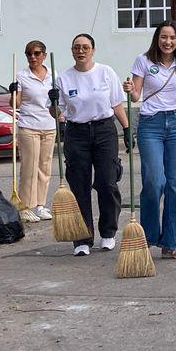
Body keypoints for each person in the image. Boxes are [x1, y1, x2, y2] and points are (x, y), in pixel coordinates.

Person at [124, 20, 176, 260]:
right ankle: (147, 237)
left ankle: (172, 243)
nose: (168, 42)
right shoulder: (143, 61)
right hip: (150, 124)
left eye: (173, 38)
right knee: (154, 181)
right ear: (157, 38)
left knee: (175, 184)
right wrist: (129, 89)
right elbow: (136, 95)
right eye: (164, 37)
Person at [55, 33, 129, 256]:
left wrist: (126, 129)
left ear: (93, 50)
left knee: (107, 182)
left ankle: (108, 232)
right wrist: (52, 103)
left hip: (104, 130)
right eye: (76, 47)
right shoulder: (63, 78)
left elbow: (116, 104)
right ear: (72, 51)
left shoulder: (106, 72)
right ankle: (82, 238)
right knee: (79, 185)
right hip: (76, 133)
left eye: (85, 47)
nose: (81, 51)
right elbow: (58, 112)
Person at [10, 40, 56, 224]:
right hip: (29, 125)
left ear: (44, 55)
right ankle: (26, 207)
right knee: (29, 167)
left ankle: (40, 205)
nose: (33, 57)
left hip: (49, 125)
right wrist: (12, 92)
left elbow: (57, 103)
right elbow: (16, 104)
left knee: (44, 167)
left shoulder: (54, 74)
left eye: (37, 53)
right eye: (29, 54)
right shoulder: (21, 76)